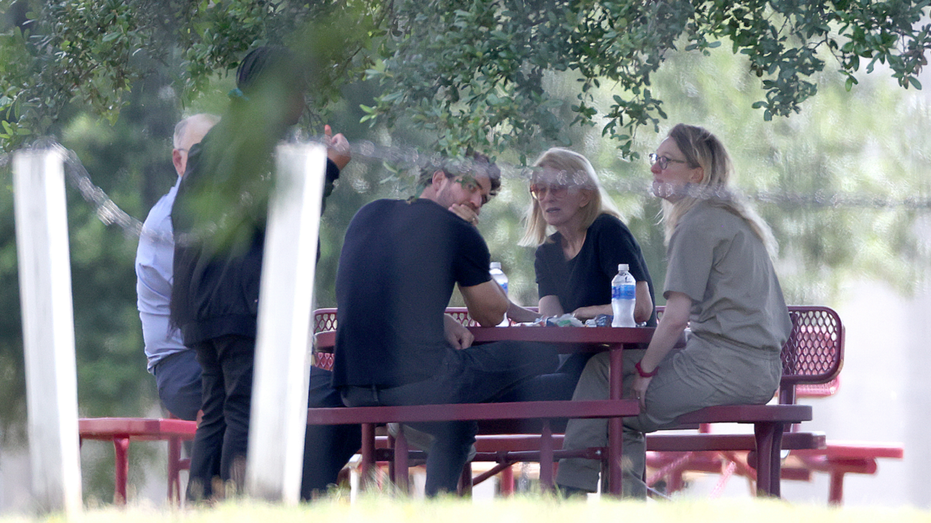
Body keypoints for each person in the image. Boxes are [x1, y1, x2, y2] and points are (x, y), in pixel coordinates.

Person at [554, 123, 792, 497]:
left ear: (696, 174)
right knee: (603, 369)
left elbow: (677, 317)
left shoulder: (697, 224)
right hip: (755, 367)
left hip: (726, 368)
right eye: (654, 158)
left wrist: (647, 370)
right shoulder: (732, 218)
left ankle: (571, 496)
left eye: (666, 161)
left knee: (617, 410)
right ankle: (598, 495)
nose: (654, 168)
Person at [171, 46, 352, 500]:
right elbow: (286, 222)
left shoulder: (215, 141)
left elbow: (184, 218)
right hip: (241, 300)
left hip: (202, 302)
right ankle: (236, 502)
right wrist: (328, 171)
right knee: (242, 410)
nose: (304, 101)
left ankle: (201, 504)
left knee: (215, 411)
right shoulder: (260, 144)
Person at [331, 154, 560, 496]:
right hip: (419, 383)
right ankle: (444, 492)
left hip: (352, 385)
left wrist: (440, 320)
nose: (477, 201)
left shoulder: (369, 213)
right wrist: (467, 234)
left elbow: (382, 291)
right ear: (438, 179)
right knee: (544, 353)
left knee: (457, 421)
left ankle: (441, 503)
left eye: (483, 196)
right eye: (470, 188)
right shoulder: (456, 230)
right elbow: (490, 316)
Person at [505, 148, 656, 401]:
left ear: (585, 196)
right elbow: (553, 320)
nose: (547, 197)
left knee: (532, 394)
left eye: (558, 188)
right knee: (506, 387)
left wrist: (585, 312)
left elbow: (641, 308)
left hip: (624, 361)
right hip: (580, 360)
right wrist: (509, 309)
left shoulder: (607, 230)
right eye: (539, 189)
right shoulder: (547, 252)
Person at [136, 113, 219, 422]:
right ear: (179, 160)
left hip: (214, 359)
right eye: (202, 153)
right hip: (185, 367)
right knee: (317, 395)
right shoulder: (169, 220)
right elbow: (210, 306)